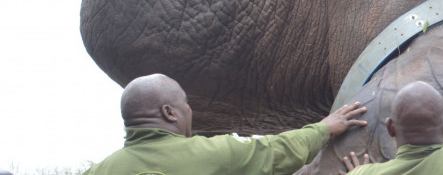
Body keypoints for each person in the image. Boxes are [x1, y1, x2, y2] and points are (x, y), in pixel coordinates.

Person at [84, 74, 368, 174]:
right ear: (169, 113)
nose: (189, 111)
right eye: (186, 104)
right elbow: (277, 151)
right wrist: (324, 128)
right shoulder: (216, 155)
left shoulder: (96, 171)